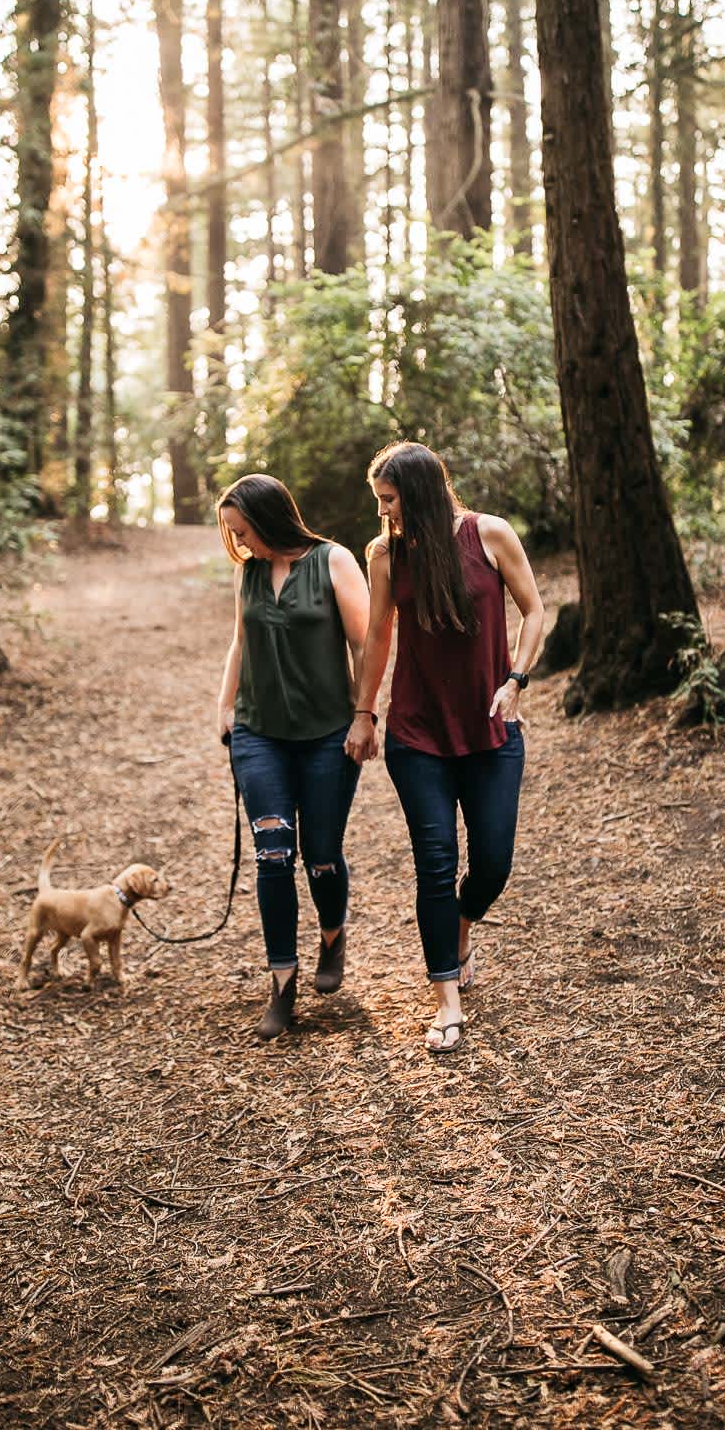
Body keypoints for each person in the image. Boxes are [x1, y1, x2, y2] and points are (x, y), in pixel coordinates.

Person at [345, 443, 544, 1053]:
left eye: (390, 499)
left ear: (422, 492)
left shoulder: (490, 535)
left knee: (492, 866)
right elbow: (378, 637)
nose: (383, 512)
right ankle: (447, 1000)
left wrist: (517, 681)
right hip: (417, 734)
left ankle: (461, 925)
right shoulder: (385, 554)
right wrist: (363, 712)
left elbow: (534, 611)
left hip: (490, 731)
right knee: (433, 863)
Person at [217, 475, 371, 1039]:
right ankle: (281, 983)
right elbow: (241, 639)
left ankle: (333, 934)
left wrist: (366, 713)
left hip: (330, 732)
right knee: (273, 856)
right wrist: (226, 704)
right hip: (261, 734)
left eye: (243, 531)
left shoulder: (333, 561)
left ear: (269, 518)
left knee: (321, 852)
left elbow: (365, 642)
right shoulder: (249, 572)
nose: (240, 543)